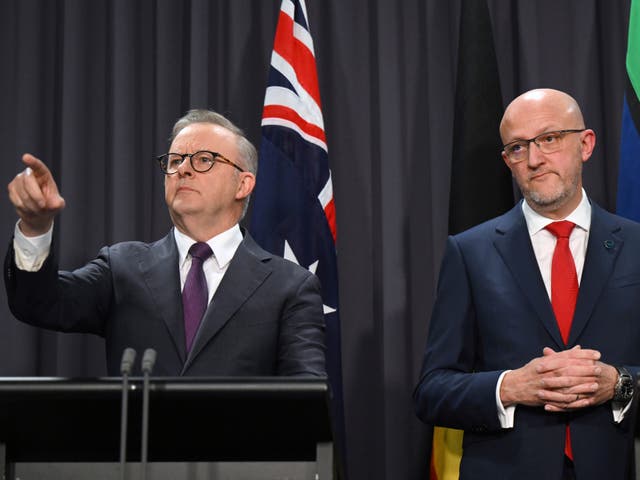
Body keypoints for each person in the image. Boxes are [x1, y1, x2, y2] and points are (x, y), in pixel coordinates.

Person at [414, 88, 640, 479]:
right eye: (518, 148)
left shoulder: (636, 246)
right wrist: (510, 387)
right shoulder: (470, 252)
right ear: (507, 161)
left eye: (549, 139)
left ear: (585, 144)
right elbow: (432, 392)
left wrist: (619, 384)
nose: (534, 159)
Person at [4, 109, 326, 377]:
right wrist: (35, 226)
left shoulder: (289, 287)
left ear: (243, 184)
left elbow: (304, 399)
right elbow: (40, 303)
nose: (183, 170)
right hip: (140, 453)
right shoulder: (122, 268)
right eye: (174, 161)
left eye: (203, 160)